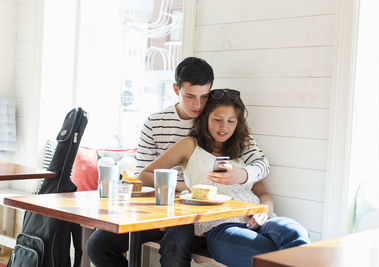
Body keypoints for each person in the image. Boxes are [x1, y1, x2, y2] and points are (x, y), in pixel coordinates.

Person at [86, 57, 269, 267]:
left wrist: (243, 176)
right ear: (176, 89)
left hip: (200, 214)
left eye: (204, 96)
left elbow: (261, 165)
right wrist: (169, 205)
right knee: (98, 245)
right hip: (164, 205)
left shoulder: (220, 122)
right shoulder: (154, 124)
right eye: (190, 96)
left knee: (174, 246)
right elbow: (142, 178)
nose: (198, 104)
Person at [138, 89, 310, 267]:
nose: (223, 127)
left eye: (231, 121)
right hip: (221, 226)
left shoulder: (243, 147)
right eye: (217, 120)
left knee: (297, 234)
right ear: (205, 118)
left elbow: (263, 194)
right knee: (272, 254)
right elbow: (145, 175)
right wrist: (188, 189)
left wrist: (264, 211)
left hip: (263, 219)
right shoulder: (190, 146)